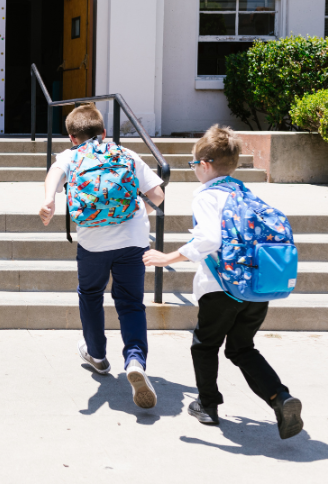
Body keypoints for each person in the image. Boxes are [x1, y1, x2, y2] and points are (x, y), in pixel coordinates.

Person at [143, 125, 303, 438]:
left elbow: (209, 239)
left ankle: (207, 405)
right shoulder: (245, 193)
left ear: (204, 165)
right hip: (256, 288)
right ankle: (280, 397)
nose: (193, 172)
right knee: (242, 348)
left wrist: (167, 258)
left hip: (220, 288)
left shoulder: (207, 196)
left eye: (193, 165)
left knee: (205, 346)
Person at [38, 104, 164, 409]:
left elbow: (54, 176)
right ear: (104, 133)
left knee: (91, 295)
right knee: (131, 303)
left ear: (71, 137)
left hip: (93, 243)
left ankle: (96, 354)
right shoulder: (126, 154)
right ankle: (134, 360)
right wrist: (138, 212)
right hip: (133, 241)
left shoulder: (71, 156)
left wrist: (48, 201)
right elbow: (158, 195)